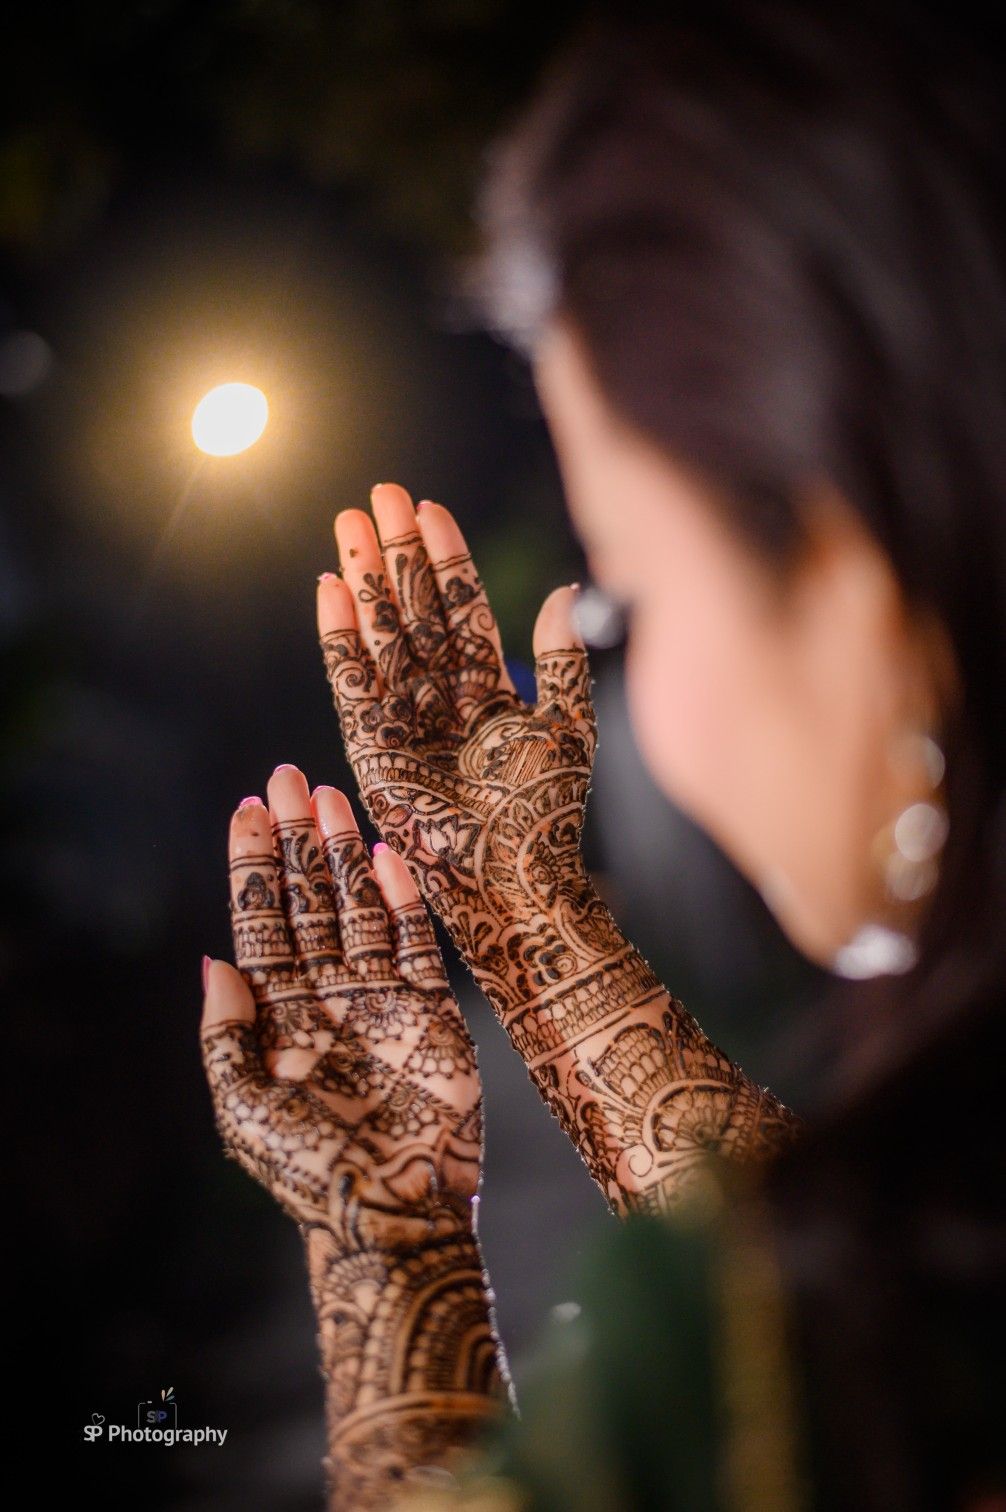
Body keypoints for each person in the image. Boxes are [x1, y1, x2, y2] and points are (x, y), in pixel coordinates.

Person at [199, 2, 1005, 1508]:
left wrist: (385, 1231)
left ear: (843, 564)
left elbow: (804, 1340)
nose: (647, 702)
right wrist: (523, 920)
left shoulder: (778, 1338)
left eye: (625, 589)